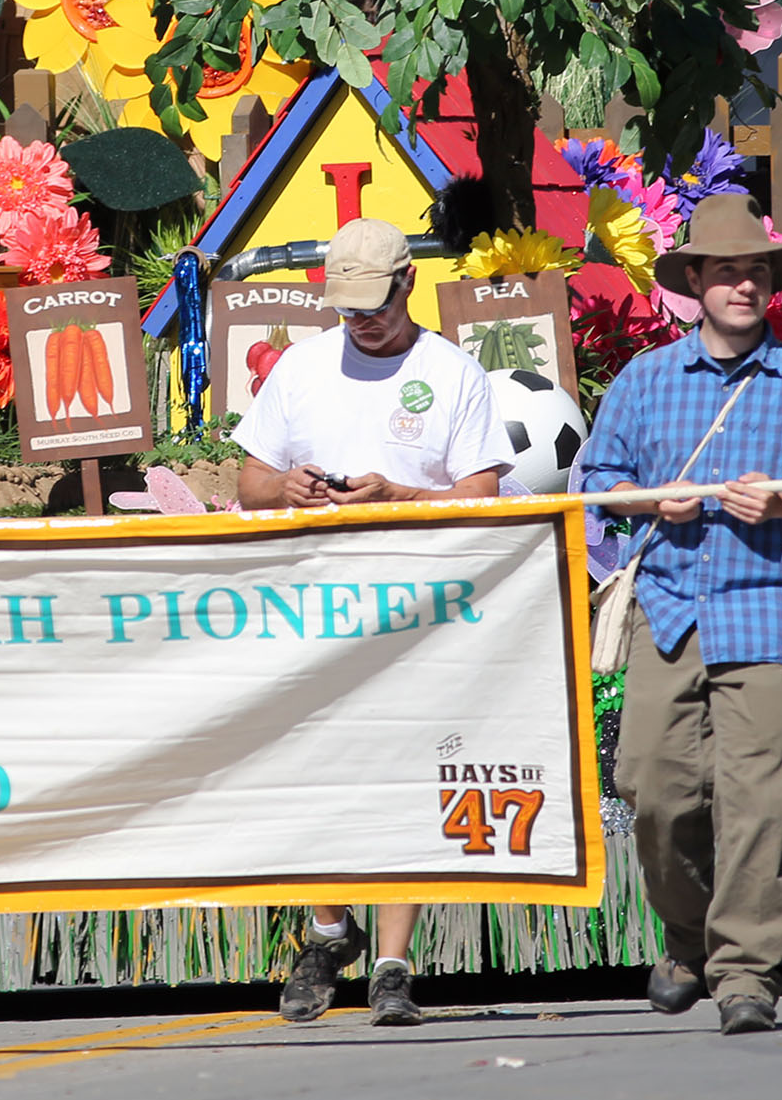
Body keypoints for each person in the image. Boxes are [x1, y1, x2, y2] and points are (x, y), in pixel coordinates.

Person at [580, 195, 782, 1035]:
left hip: (768, 610)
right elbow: (596, 482)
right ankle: (686, 938)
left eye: (756, 272)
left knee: (755, 802)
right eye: (727, 271)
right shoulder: (645, 380)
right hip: (668, 611)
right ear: (694, 282)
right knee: (653, 791)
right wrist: (649, 500)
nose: (744, 285)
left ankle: (746, 972)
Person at [230, 216, 516, 1029]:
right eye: (347, 307)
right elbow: (249, 480)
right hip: (313, 605)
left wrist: (398, 495)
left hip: (417, 608)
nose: (360, 320)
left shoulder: (453, 372)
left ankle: (392, 962)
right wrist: (285, 488)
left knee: (408, 770)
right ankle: (329, 930)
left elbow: (482, 496)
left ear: (409, 283)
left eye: (374, 305)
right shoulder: (301, 366)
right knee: (307, 762)